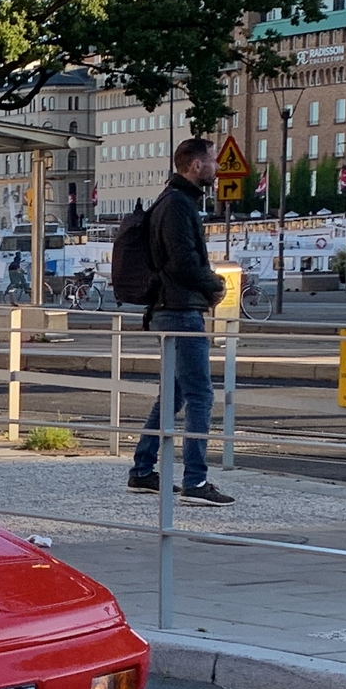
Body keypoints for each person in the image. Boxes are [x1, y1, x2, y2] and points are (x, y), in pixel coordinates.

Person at [123, 137, 235, 506]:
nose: (217, 168)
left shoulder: (173, 201)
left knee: (173, 395)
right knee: (201, 394)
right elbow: (182, 261)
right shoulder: (177, 205)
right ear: (194, 165)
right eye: (212, 162)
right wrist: (214, 285)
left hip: (172, 307)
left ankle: (142, 470)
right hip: (179, 310)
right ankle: (196, 481)